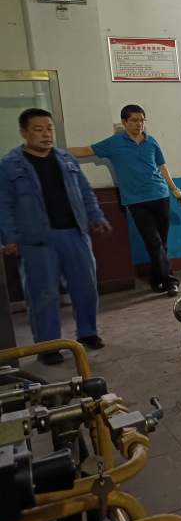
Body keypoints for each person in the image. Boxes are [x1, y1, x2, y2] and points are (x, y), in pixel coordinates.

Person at [0, 109, 112, 363]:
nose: (46, 134)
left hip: (74, 234)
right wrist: (8, 238)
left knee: (85, 286)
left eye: (49, 128)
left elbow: (85, 191)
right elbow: (3, 205)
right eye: (38, 129)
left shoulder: (66, 159)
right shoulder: (9, 165)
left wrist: (96, 217)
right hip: (37, 241)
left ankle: (88, 333)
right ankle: (48, 346)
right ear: (24, 133)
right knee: (43, 294)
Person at [69, 105, 181, 296]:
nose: (139, 124)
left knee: (161, 243)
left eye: (142, 120)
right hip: (136, 201)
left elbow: (162, 166)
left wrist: (175, 190)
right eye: (134, 120)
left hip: (160, 195)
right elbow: (86, 150)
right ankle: (169, 281)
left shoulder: (151, 141)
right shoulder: (114, 143)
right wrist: (55, 150)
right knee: (154, 242)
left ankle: (156, 278)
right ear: (124, 122)